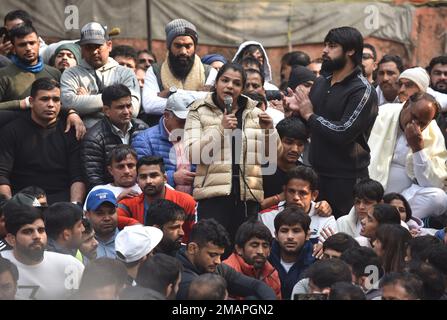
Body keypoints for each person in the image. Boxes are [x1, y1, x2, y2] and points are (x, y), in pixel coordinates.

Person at [285, 26, 378, 218]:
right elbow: (314, 126)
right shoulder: (321, 82)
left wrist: (309, 114)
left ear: (351, 50)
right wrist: (296, 112)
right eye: (325, 45)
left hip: (346, 180)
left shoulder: (362, 91)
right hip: (316, 175)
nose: (325, 50)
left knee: (341, 238)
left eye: (332, 46)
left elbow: (343, 131)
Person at [184, 62, 279, 240]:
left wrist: (269, 131)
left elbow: (273, 156)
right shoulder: (198, 110)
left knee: (243, 252)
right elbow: (193, 154)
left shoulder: (254, 113)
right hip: (213, 197)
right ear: (216, 83)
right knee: (213, 249)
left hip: (247, 198)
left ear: (242, 88)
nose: (229, 86)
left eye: (236, 83)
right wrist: (221, 129)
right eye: (225, 80)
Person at [0, 78, 86, 204]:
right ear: (31, 101)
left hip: (62, 201)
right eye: (44, 99)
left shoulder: (71, 131)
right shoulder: (12, 130)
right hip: (22, 200)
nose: (51, 104)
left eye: (56, 100)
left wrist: (74, 206)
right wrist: (8, 206)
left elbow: (77, 176)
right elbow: (2, 175)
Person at [368, 91, 447, 219]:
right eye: (413, 116)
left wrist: (418, 149)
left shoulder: (433, 133)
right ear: (406, 105)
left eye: (422, 123)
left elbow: (430, 183)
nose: (415, 124)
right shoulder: (381, 114)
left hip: (404, 201)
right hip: (371, 192)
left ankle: (393, 219)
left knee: (439, 198)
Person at [60, 22, 140, 128]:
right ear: (81, 49)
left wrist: (86, 101)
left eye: (98, 46)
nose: (94, 52)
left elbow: (133, 109)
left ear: (109, 45)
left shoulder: (125, 73)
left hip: (119, 133)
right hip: (83, 133)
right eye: (89, 47)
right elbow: (67, 103)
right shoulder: (71, 73)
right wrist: (116, 101)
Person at [176, 219, 276, 300]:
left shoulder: (216, 267)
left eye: (220, 255)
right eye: (212, 255)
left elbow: (256, 286)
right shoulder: (180, 277)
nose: (218, 261)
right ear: (193, 248)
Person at [0, 205, 84, 299]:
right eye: (27, 232)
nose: (37, 236)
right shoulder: (2, 262)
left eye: (41, 230)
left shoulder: (70, 265)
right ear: (11, 239)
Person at [142, 18, 217, 121]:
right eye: (178, 46)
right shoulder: (154, 71)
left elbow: (213, 102)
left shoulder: (209, 72)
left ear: (195, 47)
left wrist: (172, 93)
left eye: (188, 46)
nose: (183, 51)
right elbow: (150, 105)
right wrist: (198, 97)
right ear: (169, 46)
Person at [81, 84, 147, 189]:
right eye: (120, 107)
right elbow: (93, 179)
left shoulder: (142, 128)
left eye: (129, 106)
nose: (126, 112)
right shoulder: (94, 139)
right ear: (106, 110)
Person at [117, 156, 196, 241]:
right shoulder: (129, 203)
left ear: (165, 178)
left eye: (154, 176)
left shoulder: (186, 201)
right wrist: (136, 225)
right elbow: (110, 218)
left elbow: (197, 234)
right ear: (137, 181)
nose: (148, 181)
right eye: (143, 177)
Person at [132, 91, 196, 193]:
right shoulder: (144, 140)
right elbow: (138, 174)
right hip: (161, 202)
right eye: (182, 121)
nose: (187, 125)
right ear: (166, 115)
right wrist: (172, 177)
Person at [260, 166, 337, 244]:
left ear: (314, 195)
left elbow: (330, 253)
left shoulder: (326, 221)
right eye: (291, 191)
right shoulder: (266, 217)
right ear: (284, 191)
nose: (296, 197)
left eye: (302, 193)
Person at [223, 220, 282, 299]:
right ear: (239, 249)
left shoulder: (272, 274)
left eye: (265, 246)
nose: (260, 252)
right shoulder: (225, 273)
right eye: (254, 245)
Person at [268, 207, 315, 299]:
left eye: (296, 231)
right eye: (284, 231)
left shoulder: (317, 260)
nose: (290, 237)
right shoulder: (265, 258)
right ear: (276, 235)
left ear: (307, 235)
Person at [85, 189, 120, 259]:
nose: (107, 218)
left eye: (111, 212)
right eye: (99, 213)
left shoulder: (128, 241)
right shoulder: (81, 246)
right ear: (87, 215)